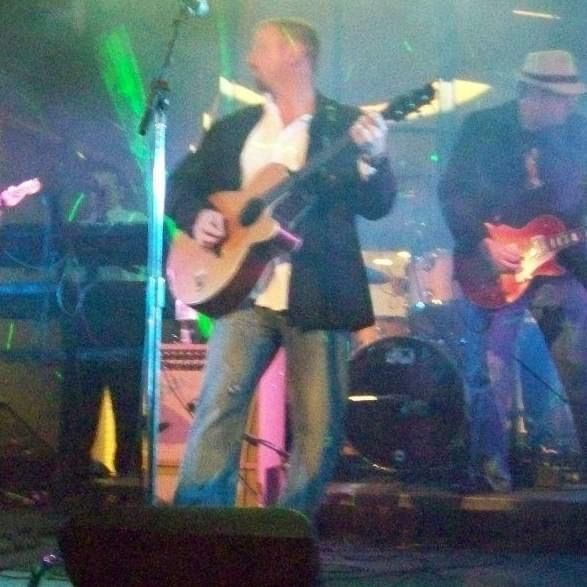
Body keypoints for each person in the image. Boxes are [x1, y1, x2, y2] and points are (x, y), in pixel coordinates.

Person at [167, 18, 396, 517]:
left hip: (320, 291)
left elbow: (378, 205)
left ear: (296, 53)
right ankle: (195, 530)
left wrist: (376, 158)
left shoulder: (345, 125)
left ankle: (288, 533)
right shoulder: (235, 128)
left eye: (263, 47)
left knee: (318, 429)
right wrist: (198, 215)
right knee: (217, 412)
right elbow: (180, 186)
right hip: (242, 291)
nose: (251, 58)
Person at [439, 49, 587, 493]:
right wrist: (481, 242)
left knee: (581, 363)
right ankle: (490, 472)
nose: (570, 105)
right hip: (493, 267)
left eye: (572, 98)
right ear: (531, 94)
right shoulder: (483, 128)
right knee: (490, 372)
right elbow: (453, 191)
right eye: (561, 98)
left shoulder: (579, 133)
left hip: (562, 264)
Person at [56, 163, 146, 501]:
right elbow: (69, 281)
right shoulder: (79, 230)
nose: (98, 196)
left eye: (104, 190)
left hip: (123, 328)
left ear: (120, 190)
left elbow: (142, 274)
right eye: (93, 190)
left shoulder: (136, 223)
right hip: (87, 329)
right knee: (81, 411)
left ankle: (129, 488)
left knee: (126, 409)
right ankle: (73, 488)